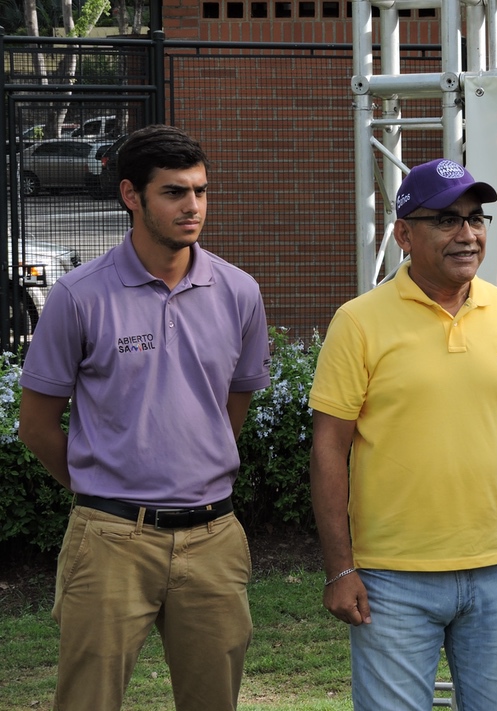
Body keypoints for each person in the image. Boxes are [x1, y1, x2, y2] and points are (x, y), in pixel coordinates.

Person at [308, 158, 497, 711]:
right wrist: (340, 568)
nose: (467, 234)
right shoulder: (358, 322)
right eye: (447, 220)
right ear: (404, 235)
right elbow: (329, 448)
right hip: (391, 579)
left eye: (476, 218)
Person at [18, 124, 271, 711]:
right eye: (174, 192)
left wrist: (193, 469)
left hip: (214, 538)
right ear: (131, 195)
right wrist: (103, 488)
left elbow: (230, 408)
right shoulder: (78, 296)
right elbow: (36, 426)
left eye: (200, 191)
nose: (193, 207)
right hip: (109, 540)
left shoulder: (239, 292)